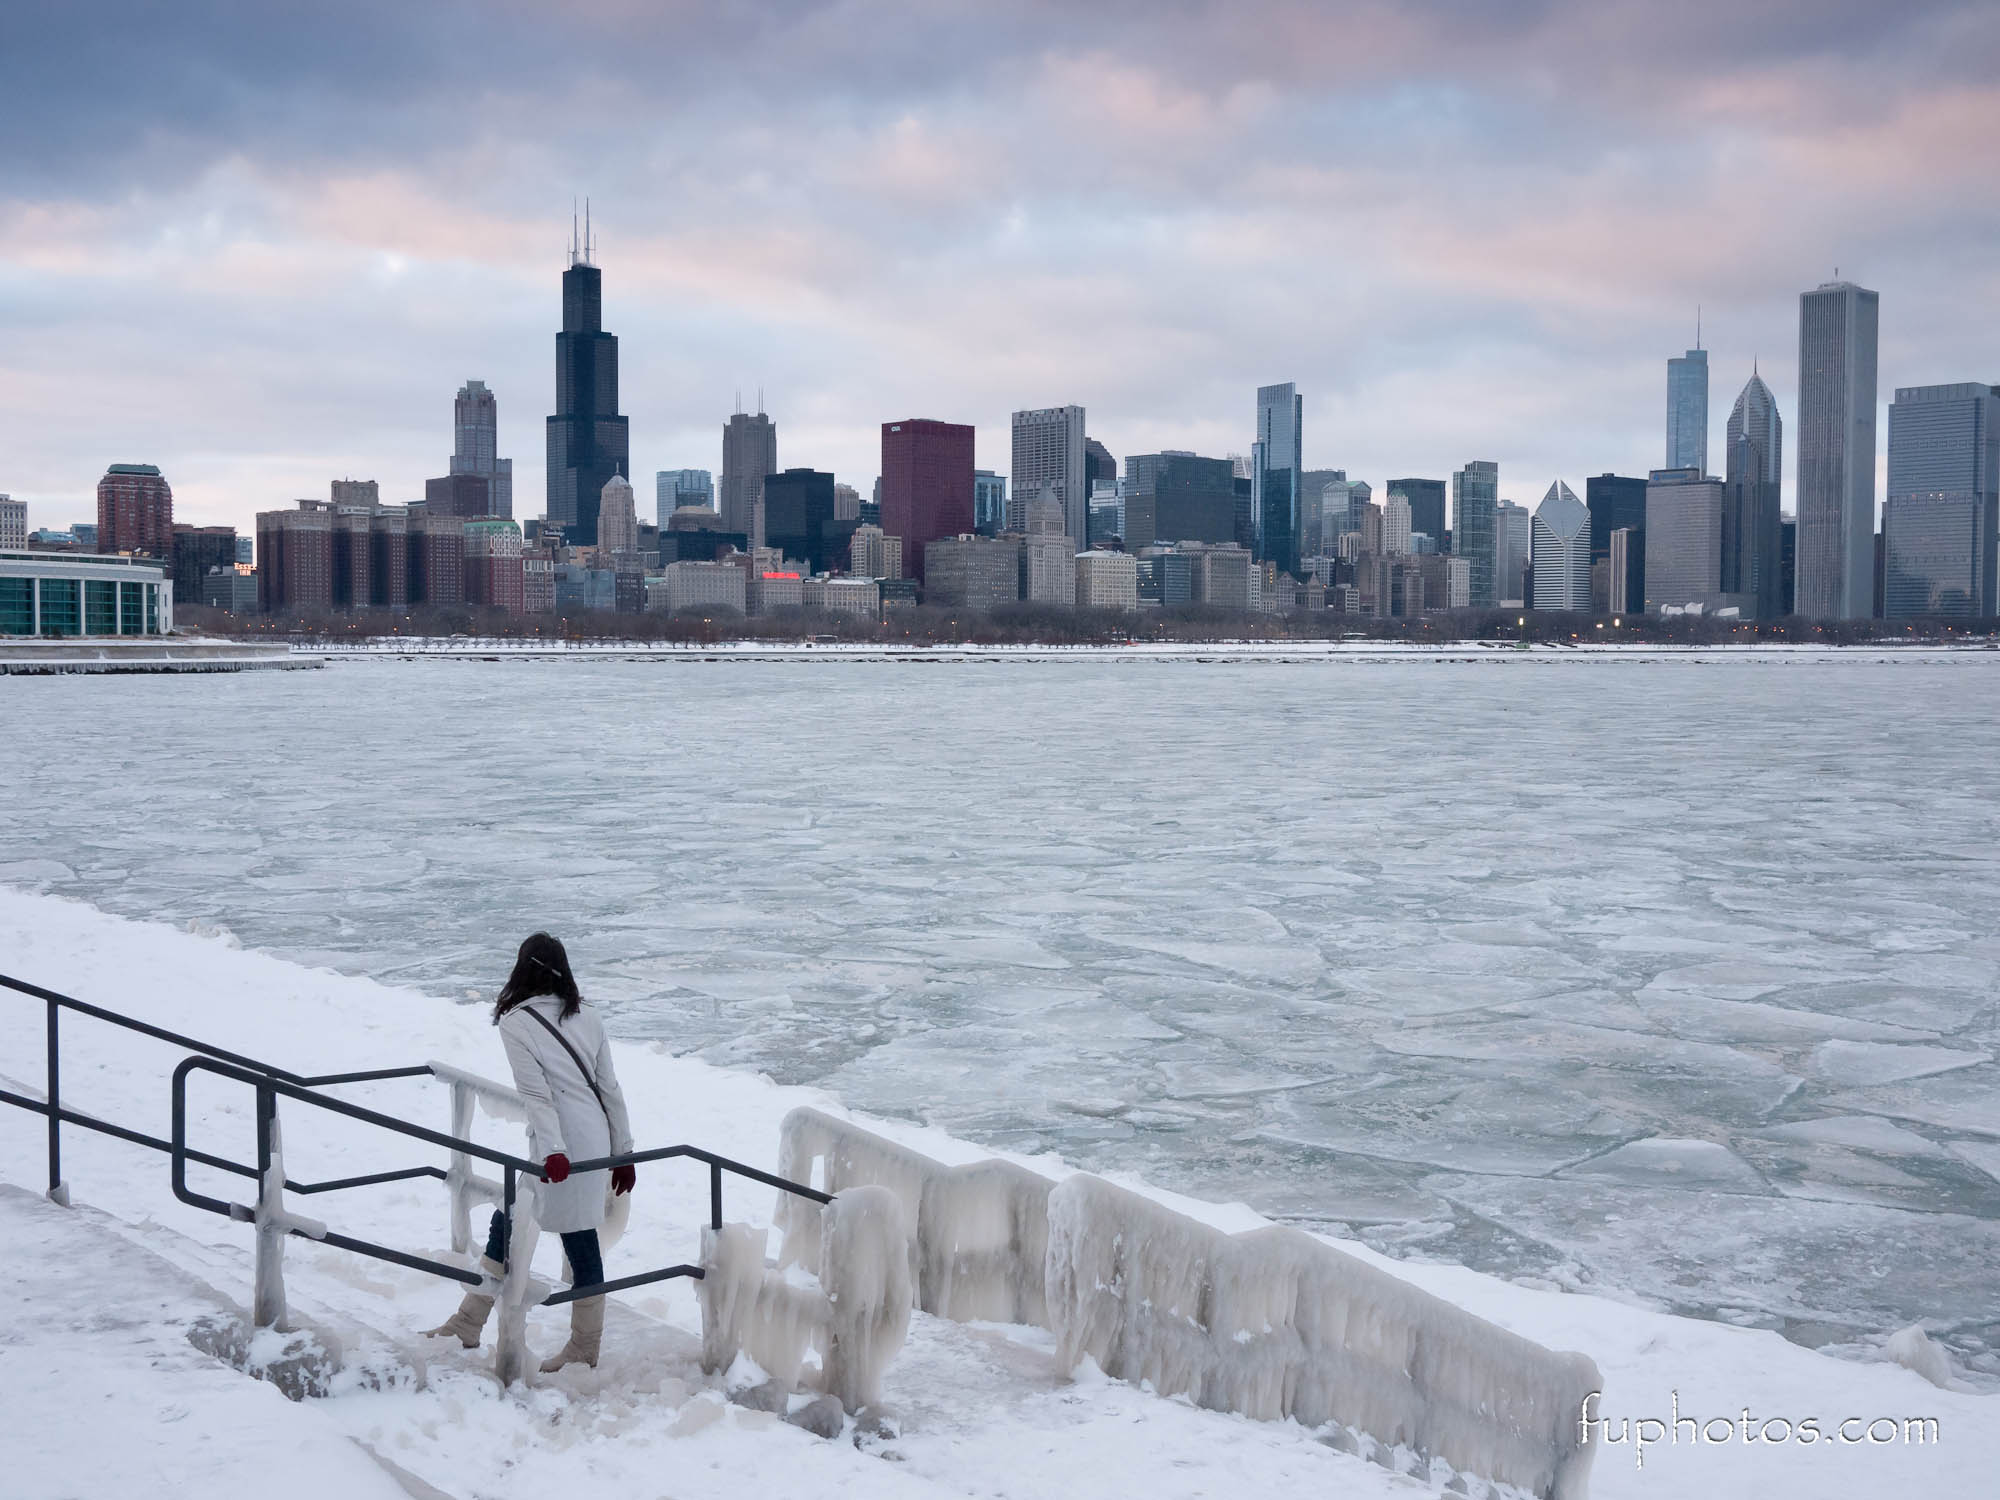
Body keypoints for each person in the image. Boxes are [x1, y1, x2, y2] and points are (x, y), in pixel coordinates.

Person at [426, 932, 636, 1371]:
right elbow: (610, 1090)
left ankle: (580, 1347)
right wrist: (623, 1151)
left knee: (572, 1234)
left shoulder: (516, 1023)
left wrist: (556, 1150)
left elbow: (536, 1095)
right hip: (590, 1138)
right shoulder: (588, 1017)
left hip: (556, 1143)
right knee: (514, 1218)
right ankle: (471, 1320)